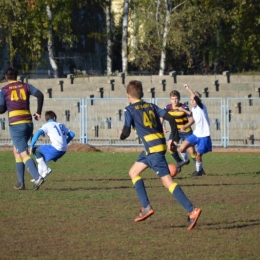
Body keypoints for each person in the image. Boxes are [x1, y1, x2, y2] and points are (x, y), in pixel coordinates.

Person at [119, 80, 202, 230]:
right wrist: (174, 138)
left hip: (153, 151)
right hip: (156, 147)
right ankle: (145, 207)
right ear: (142, 94)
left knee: (167, 182)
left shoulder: (129, 110)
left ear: (128, 95)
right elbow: (170, 118)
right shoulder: (151, 105)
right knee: (133, 172)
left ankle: (192, 210)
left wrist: (121, 135)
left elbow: (125, 133)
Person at [0, 66, 45, 190]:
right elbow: (40, 95)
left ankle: (37, 177)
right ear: (16, 76)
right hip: (28, 123)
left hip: (16, 124)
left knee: (22, 152)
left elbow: (2, 109)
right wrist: (38, 112)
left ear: (6, 77)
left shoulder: (4, 90)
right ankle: (21, 183)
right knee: (16, 150)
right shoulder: (26, 86)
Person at [174, 84, 212, 176]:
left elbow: (196, 99)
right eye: (190, 99)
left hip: (204, 136)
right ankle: (186, 161)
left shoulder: (202, 106)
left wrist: (189, 89)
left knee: (198, 156)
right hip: (196, 134)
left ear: (197, 100)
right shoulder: (194, 108)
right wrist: (185, 126)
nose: (191, 101)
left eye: (193, 99)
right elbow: (193, 117)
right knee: (182, 148)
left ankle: (198, 171)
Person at [29, 110, 75, 181]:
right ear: (54, 117)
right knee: (41, 157)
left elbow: (38, 133)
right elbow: (72, 134)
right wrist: (65, 143)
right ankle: (39, 177)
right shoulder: (61, 125)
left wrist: (31, 145)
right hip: (64, 150)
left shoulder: (47, 125)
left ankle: (45, 170)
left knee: (36, 150)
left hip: (56, 148)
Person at [162, 90, 197, 174]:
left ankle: (199, 168)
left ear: (179, 99)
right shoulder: (168, 108)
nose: (175, 101)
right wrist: (163, 126)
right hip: (175, 132)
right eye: (173, 99)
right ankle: (179, 162)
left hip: (186, 131)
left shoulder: (184, 107)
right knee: (170, 147)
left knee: (191, 151)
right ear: (170, 99)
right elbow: (161, 117)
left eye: (176, 99)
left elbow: (192, 119)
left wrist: (185, 126)